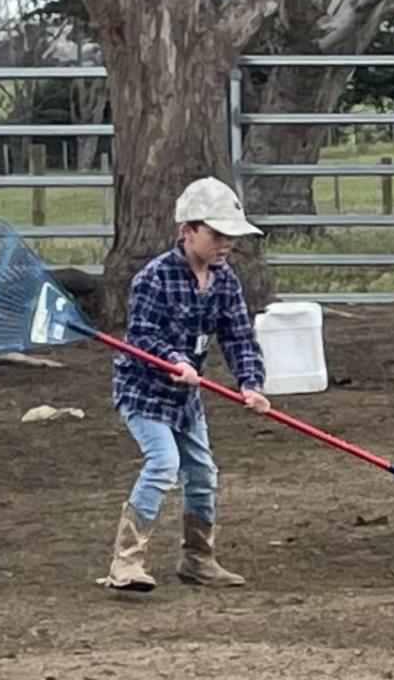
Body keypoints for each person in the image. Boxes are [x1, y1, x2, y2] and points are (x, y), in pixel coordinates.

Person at [98, 176, 271, 593]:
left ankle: (198, 559)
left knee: (203, 474)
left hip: (186, 398)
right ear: (187, 231)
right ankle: (126, 563)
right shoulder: (152, 278)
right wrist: (174, 360)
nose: (226, 243)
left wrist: (250, 382)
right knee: (163, 464)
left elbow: (238, 336)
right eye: (216, 234)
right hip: (144, 391)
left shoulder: (226, 281)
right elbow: (141, 335)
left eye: (231, 235)